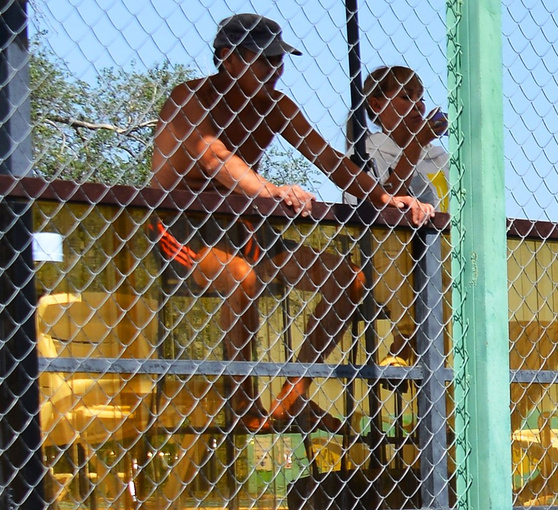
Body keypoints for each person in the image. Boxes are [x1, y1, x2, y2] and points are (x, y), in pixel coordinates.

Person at [149, 14, 433, 432]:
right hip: (185, 227)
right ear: (228, 58)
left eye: (279, 60)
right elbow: (212, 156)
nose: (276, 70)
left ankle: (291, 397)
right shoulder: (190, 97)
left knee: (346, 276)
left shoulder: (276, 106)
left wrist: (385, 196)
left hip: (246, 228)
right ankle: (244, 405)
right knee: (242, 277)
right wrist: (270, 189)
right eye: (265, 60)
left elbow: (327, 157)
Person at [357, 66, 448, 209]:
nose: (418, 105)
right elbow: (383, 206)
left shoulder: (439, 157)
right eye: (406, 97)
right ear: (376, 105)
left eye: (421, 98)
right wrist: (416, 143)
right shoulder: (366, 154)